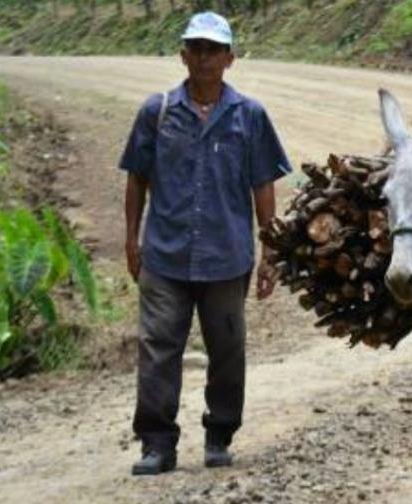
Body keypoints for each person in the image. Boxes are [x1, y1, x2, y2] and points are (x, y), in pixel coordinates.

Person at [119, 11, 291, 475]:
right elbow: (136, 179)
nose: (204, 58)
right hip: (165, 253)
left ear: (230, 59)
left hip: (227, 256)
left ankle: (220, 433)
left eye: (213, 50)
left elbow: (263, 187)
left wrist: (269, 252)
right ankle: (156, 445)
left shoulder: (249, 116)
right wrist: (132, 241)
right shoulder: (156, 112)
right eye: (195, 48)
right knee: (158, 349)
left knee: (228, 350)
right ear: (183, 55)